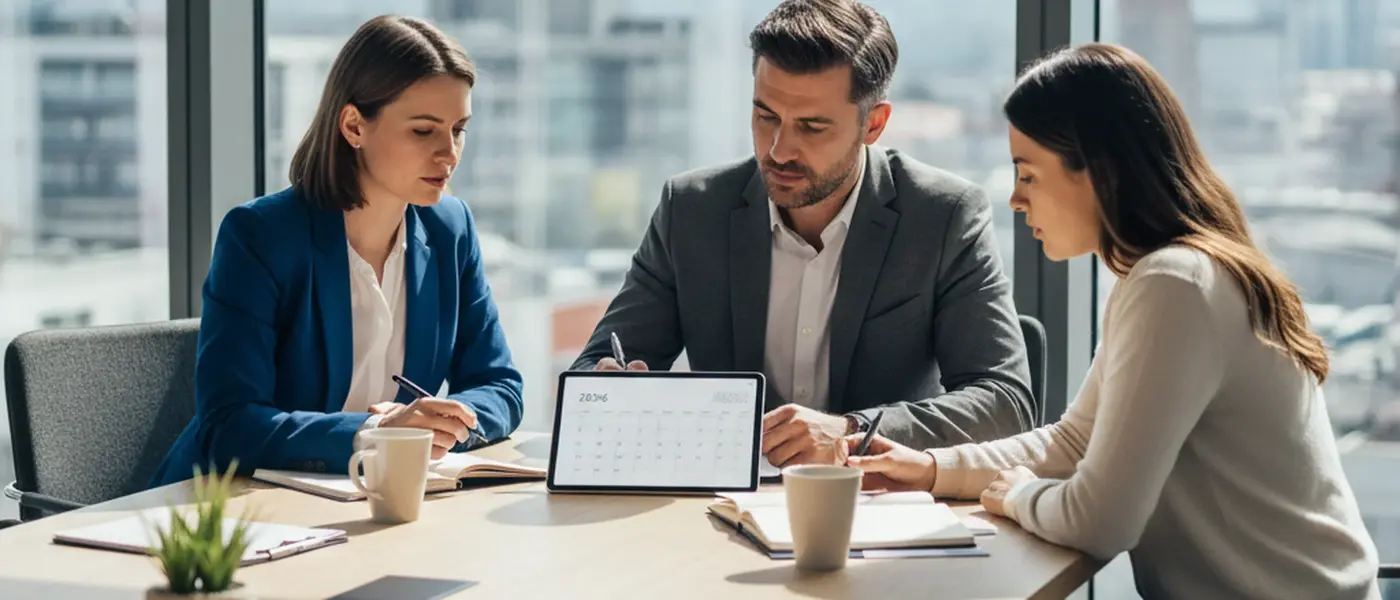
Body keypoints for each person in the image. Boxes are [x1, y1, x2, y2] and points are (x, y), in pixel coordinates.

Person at [844, 43, 1381, 599]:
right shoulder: (1169, 276)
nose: (1014, 199)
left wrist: (1018, 494)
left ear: (1096, 171)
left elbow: (1100, 521)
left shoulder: (1176, 285)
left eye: (1028, 174)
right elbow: (1078, 442)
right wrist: (932, 467)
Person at [570, 0, 1034, 468]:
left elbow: (1005, 403)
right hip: (717, 506)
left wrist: (850, 432)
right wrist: (608, 388)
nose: (779, 149)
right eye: (765, 116)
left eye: (812, 127)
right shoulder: (692, 210)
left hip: (875, 509)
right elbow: (596, 368)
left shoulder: (942, 217)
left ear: (873, 124)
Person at [151, 15, 524, 487]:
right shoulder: (260, 237)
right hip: (230, 511)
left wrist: (447, 422)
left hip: (373, 501)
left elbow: (501, 387)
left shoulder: (451, 229)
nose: (449, 153)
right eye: (423, 131)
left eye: (459, 130)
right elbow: (229, 425)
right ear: (353, 126)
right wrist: (376, 432)